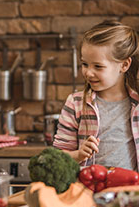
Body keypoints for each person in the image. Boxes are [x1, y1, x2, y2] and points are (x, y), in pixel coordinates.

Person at [53, 20, 139, 171]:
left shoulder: (136, 103)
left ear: (124, 65)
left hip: (129, 191)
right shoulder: (76, 103)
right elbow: (57, 156)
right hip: (87, 189)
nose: (88, 72)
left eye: (98, 66)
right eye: (85, 64)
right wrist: (78, 155)